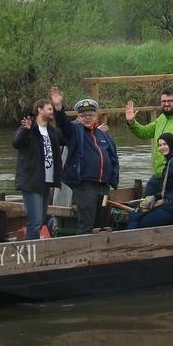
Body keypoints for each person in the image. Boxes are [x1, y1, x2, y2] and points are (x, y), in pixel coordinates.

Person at [51, 87, 120, 235]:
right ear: (79, 117)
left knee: (103, 225)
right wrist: (58, 108)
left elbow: (113, 158)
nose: (87, 118)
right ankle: (84, 256)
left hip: (104, 186)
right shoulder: (75, 132)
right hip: (85, 187)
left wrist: (113, 178)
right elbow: (63, 124)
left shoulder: (103, 135)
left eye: (91, 115)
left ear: (96, 116)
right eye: (83, 115)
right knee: (86, 225)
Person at [125, 87, 173, 197]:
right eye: (163, 101)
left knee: (165, 208)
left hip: (172, 178)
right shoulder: (162, 118)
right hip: (158, 175)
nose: (166, 104)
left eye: (170, 101)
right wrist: (131, 122)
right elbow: (144, 133)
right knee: (144, 204)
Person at [127, 133, 173, 229]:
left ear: (172, 145)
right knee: (134, 215)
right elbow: (170, 190)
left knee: (142, 222)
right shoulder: (170, 162)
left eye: (165, 144)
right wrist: (155, 196)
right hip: (169, 203)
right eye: (160, 145)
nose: (162, 147)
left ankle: (134, 242)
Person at [12, 99, 63, 240]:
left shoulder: (52, 131)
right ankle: (31, 254)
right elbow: (16, 142)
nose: (52, 112)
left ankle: (36, 250)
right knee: (34, 223)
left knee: (40, 221)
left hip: (46, 182)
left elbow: (66, 137)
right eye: (49, 109)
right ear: (40, 110)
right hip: (31, 181)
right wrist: (24, 130)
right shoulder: (30, 128)